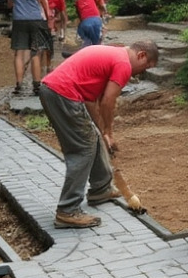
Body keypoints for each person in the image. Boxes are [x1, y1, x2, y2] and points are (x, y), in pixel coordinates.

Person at [37, 40, 159, 228]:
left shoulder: (113, 56)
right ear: (141, 55)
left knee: (92, 137)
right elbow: (108, 101)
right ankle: (67, 210)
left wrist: (102, 132)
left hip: (56, 92)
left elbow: (90, 101)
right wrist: (109, 131)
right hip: (63, 94)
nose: (141, 72)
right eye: (145, 66)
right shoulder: (123, 64)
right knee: (83, 149)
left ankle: (100, 189)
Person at [6, 0, 51, 95]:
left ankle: (19, 84)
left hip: (19, 18)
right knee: (35, 52)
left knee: (19, 53)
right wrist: (48, 12)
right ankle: (36, 84)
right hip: (35, 17)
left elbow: (9, 3)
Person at [40, 0, 68, 69]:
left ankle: (48, 65)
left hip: (52, 25)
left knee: (49, 46)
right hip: (39, 22)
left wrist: (62, 32)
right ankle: (39, 66)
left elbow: (63, 13)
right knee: (39, 47)